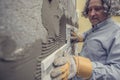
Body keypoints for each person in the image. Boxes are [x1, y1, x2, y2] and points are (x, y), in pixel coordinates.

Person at [50, 0, 120, 80]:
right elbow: (88, 34)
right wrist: (81, 37)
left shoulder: (117, 33)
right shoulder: (96, 27)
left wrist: (82, 67)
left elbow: (117, 72)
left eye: (97, 9)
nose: (91, 14)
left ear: (108, 10)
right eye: (89, 10)